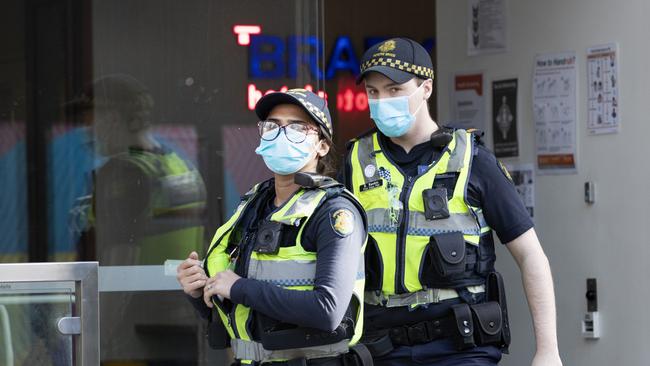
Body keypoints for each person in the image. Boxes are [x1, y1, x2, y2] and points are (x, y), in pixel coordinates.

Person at [340, 38, 562, 366]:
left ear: (426, 88)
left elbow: (531, 256)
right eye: (373, 92)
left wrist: (547, 351)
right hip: (381, 346)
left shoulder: (473, 160)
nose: (382, 100)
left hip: (459, 346)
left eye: (394, 90)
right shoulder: (356, 160)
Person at [177, 89, 371, 365]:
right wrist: (200, 292)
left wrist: (239, 288)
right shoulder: (254, 207)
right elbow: (241, 312)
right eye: (272, 126)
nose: (281, 135)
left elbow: (328, 311)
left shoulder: (334, 212)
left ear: (322, 146)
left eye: (296, 127)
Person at [71, 74, 207, 362]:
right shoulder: (178, 164)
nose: (87, 130)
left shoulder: (123, 171)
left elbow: (120, 262)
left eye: (90, 118)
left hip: (135, 335)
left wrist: (99, 336)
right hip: (183, 322)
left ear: (115, 119)